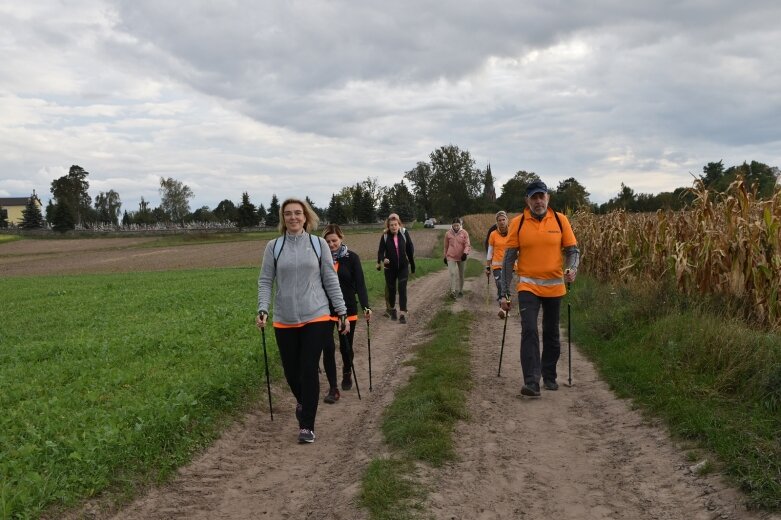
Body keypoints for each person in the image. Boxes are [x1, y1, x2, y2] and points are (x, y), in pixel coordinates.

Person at [256, 198, 348, 444]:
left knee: (308, 368)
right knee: (291, 372)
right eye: (288, 214)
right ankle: (303, 401)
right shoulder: (273, 247)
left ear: (306, 217)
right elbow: (265, 280)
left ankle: (307, 425)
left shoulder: (319, 245)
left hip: (316, 315)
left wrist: (340, 311)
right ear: (283, 218)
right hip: (284, 319)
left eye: (298, 213)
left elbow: (330, 280)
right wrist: (262, 308)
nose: (293, 217)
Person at [500, 180, 579, 397]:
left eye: (541, 196)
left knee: (551, 333)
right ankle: (532, 382)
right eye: (533, 197)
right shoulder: (518, 223)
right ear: (527, 200)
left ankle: (550, 375)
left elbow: (573, 251)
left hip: (555, 287)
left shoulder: (561, 221)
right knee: (529, 330)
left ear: (548, 198)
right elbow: (508, 260)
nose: (538, 201)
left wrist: (572, 268)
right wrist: (503, 292)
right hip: (528, 286)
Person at [321, 224, 372, 403]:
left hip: (348, 309)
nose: (331, 244)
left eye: (334, 240)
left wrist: (365, 306)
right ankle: (333, 387)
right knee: (327, 348)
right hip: (326, 310)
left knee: (345, 347)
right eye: (327, 242)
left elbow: (360, 285)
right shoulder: (320, 259)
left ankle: (347, 372)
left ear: (341, 238)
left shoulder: (352, 258)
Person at [376, 213, 415, 324]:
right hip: (390, 269)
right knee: (391, 290)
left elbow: (409, 248)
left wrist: (412, 263)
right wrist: (383, 259)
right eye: (391, 225)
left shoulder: (404, 233)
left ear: (399, 224)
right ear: (388, 226)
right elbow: (380, 251)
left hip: (403, 267)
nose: (393, 226)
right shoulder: (385, 236)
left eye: (395, 224)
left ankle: (402, 314)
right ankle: (392, 309)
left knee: (402, 289)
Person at [486, 210, 510, 316]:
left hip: (510, 265)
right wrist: (487, 266)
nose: (502, 222)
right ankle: (502, 307)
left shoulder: (512, 233)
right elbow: (490, 251)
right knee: (500, 283)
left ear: (507, 220)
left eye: (503, 219)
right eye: (499, 220)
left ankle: (505, 307)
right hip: (496, 265)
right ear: (497, 222)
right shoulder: (493, 234)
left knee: (507, 286)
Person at [443, 217, 471, 298]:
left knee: (461, 274)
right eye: (454, 226)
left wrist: (465, 253)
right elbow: (445, 246)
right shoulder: (448, 233)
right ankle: (452, 291)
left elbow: (467, 244)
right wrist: (445, 256)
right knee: (452, 273)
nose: (456, 227)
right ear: (452, 225)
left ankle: (461, 291)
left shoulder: (464, 233)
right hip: (450, 256)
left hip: (461, 257)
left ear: (460, 225)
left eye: (457, 226)